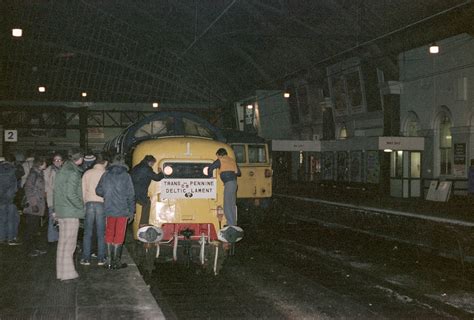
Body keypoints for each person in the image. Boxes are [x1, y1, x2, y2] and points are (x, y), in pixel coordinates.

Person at [96, 155, 135, 270]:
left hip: (108, 209)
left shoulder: (106, 175)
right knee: (119, 235)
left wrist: (107, 194)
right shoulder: (126, 176)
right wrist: (132, 211)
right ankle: (116, 261)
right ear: (123, 163)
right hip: (122, 211)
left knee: (109, 233)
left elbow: (98, 190)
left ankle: (108, 261)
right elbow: (131, 195)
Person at [54, 149, 84, 281]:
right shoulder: (73, 172)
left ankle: (61, 272)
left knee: (62, 243)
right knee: (70, 244)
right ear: (80, 159)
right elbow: (71, 194)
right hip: (70, 212)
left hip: (62, 211)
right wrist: (82, 206)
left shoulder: (62, 170)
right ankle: (68, 274)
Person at [80, 153, 108, 266]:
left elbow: (82, 190)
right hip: (102, 204)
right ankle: (101, 258)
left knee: (88, 232)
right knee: (101, 233)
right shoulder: (106, 174)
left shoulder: (87, 173)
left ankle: (86, 258)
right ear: (105, 163)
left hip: (89, 204)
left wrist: (84, 203)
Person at [206, 148, 241, 226]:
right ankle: (233, 223)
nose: (217, 158)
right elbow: (238, 173)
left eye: (217, 156)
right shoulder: (232, 160)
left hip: (228, 184)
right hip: (234, 184)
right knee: (232, 204)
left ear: (220, 155)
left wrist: (210, 177)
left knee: (227, 204)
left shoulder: (221, 160)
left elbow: (210, 168)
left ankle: (230, 223)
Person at [23, 157, 48, 256]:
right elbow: (28, 189)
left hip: (38, 205)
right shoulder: (34, 174)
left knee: (34, 228)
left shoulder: (38, 173)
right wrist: (33, 204)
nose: (46, 164)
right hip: (34, 206)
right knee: (31, 228)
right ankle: (29, 250)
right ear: (41, 163)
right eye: (45, 162)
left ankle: (33, 248)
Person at [131, 155, 163, 227]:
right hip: (140, 191)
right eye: (153, 163)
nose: (152, 165)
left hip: (132, 190)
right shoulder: (146, 168)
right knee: (146, 203)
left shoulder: (136, 167)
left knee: (132, 207)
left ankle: (128, 219)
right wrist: (161, 173)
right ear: (150, 162)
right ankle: (143, 223)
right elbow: (157, 178)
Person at [0, 157, 21, 246]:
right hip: (11, 198)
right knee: (12, 219)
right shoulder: (13, 169)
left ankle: (1, 238)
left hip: (1, 199)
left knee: (2, 219)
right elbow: (17, 185)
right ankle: (11, 238)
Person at [44, 153, 63, 243]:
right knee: (53, 218)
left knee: (57, 218)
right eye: (56, 160)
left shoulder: (60, 170)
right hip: (52, 198)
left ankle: (56, 237)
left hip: (59, 199)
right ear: (53, 161)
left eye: (59, 160)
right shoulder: (50, 171)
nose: (58, 162)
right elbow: (52, 185)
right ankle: (52, 238)